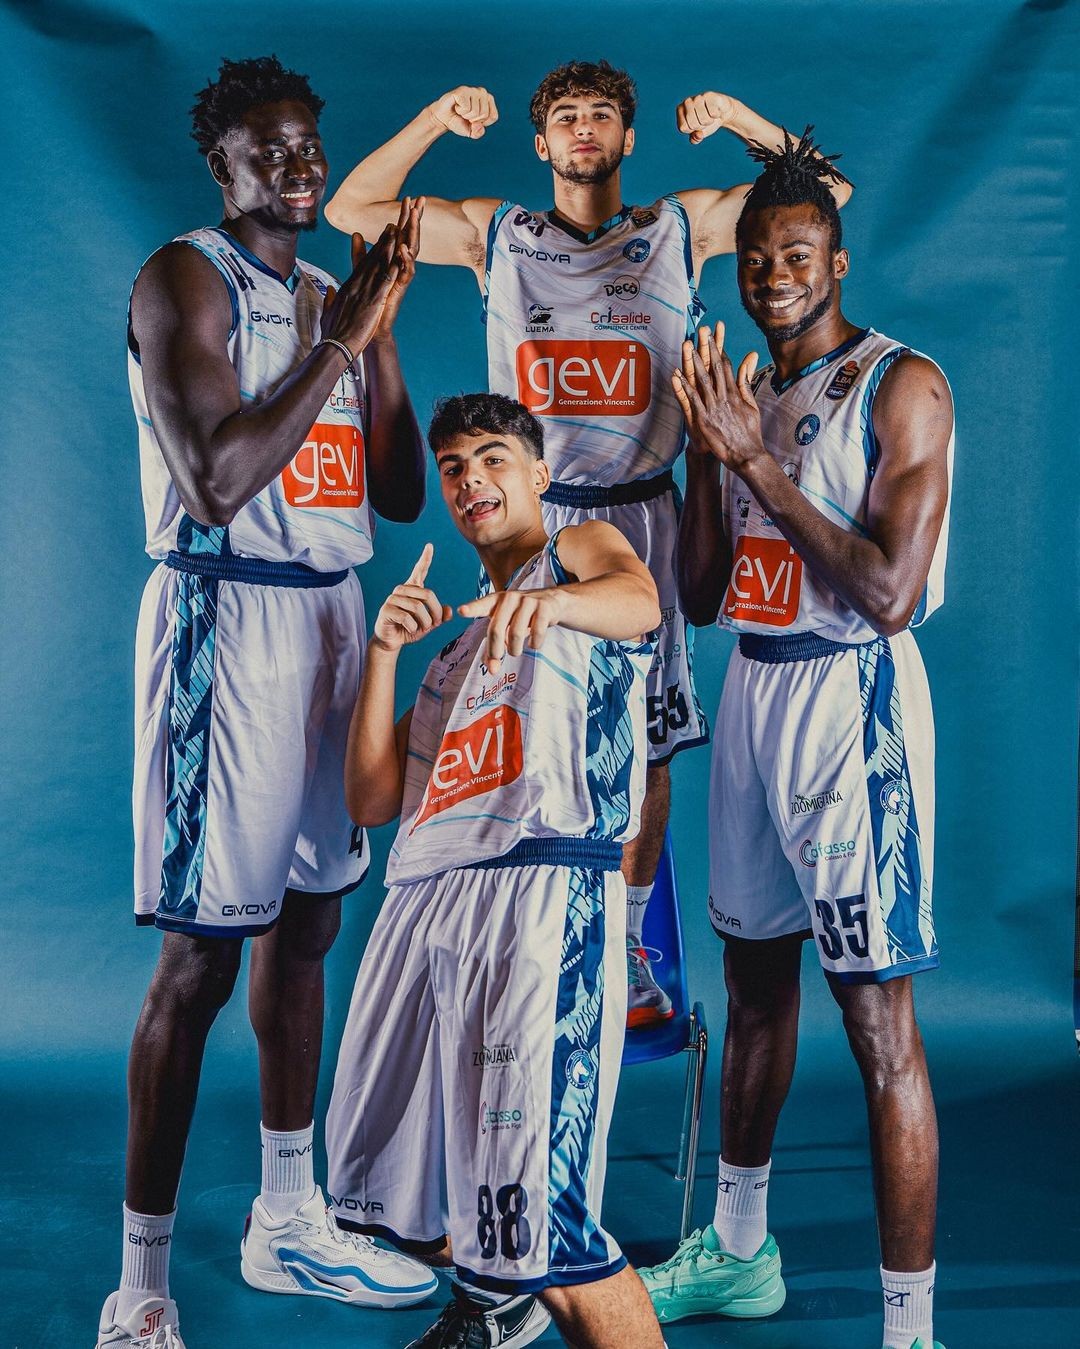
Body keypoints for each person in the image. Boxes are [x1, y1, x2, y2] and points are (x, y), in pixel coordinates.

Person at [322, 63, 852, 1031]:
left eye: (601, 115)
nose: (582, 129)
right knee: (525, 720)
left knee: (646, 744)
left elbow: (827, 194)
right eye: (564, 117)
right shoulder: (498, 235)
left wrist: (738, 113)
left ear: (626, 137)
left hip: (644, 509)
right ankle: (527, 929)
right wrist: (433, 115)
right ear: (540, 143)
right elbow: (352, 210)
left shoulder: (677, 227)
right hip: (534, 514)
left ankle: (627, 946)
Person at [96, 56, 439, 1349]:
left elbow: (396, 490)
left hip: (332, 614)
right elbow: (216, 479)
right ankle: (139, 1285)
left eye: (310, 147)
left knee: (310, 924)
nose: (300, 167)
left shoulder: (331, 296)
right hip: (225, 616)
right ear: (222, 166)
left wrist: (378, 331)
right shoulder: (187, 279)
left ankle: (288, 1215)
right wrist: (344, 338)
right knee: (201, 957)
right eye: (271, 150)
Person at [638, 132, 953, 1349]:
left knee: (877, 1019)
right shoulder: (745, 394)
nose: (774, 274)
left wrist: (759, 464)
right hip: (756, 695)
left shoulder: (900, 383)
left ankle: (910, 1327)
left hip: (851, 699)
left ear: (839, 261)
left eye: (798, 254)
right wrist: (704, 454)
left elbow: (888, 591)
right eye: (758, 257)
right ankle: (740, 1249)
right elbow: (703, 593)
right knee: (755, 986)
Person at [324, 392, 665, 1349]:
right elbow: (371, 798)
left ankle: (516, 1286)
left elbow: (639, 599)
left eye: (492, 457)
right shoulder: (456, 650)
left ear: (539, 474)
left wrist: (548, 602)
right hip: (432, 901)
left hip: (542, 892)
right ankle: (498, 1292)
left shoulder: (576, 553)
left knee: (548, 1217)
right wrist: (384, 654)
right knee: (396, 1183)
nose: (471, 477)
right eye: (454, 467)